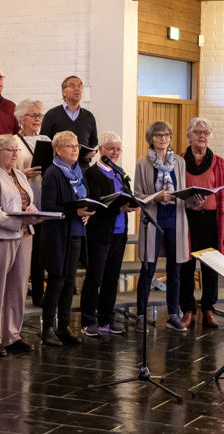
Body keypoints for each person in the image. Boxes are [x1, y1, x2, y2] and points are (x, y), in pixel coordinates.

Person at [0, 134, 42, 357]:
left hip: (23, 237)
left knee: (17, 289)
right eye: (10, 150)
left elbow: (27, 201)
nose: (15, 154)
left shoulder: (20, 176)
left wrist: (32, 210)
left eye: (17, 150)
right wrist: (21, 220)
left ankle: (12, 335)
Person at [133, 121, 191, 333]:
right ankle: (140, 315)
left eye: (166, 134)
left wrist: (193, 198)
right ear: (151, 138)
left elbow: (183, 190)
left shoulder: (180, 163)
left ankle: (173, 315)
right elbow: (137, 195)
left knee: (175, 270)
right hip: (154, 219)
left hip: (175, 218)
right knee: (148, 268)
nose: (162, 138)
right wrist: (157, 196)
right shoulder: (142, 163)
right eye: (158, 135)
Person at [40, 131, 95, 346]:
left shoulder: (79, 170)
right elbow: (48, 206)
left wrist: (88, 212)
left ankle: (63, 327)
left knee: (70, 282)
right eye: (69, 146)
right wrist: (76, 213)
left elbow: (84, 197)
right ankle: (47, 330)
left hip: (76, 231)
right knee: (56, 280)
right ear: (58, 150)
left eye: (76, 146)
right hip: (57, 233)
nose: (75, 149)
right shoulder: (53, 172)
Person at [79, 132, 137, 337]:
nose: (115, 153)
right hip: (100, 231)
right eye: (111, 148)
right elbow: (94, 202)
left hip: (119, 231)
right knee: (95, 276)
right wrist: (117, 209)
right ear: (101, 150)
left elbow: (127, 194)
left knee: (112, 277)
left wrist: (131, 204)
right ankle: (88, 319)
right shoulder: (92, 173)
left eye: (118, 149)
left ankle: (106, 318)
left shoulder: (119, 172)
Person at [178, 117, 224, 329]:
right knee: (186, 266)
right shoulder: (179, 161)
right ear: (189, 135)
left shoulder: (219, 163)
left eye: (206, 133)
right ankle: (188, 310)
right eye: (198, 132)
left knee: (211, 266)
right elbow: (174, 191)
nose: (202, 136)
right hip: (187, 219)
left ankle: (208, 309)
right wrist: (188, 203)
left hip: (212, 219)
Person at [14, 99, 50, 306]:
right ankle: (21, 293)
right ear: (21, 118)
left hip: (45, 198)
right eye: (33, 115)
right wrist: (23, 173)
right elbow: (5, 171)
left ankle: (39, 293)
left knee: (42, 250)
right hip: (25, 201)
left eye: (40, 115)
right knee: (28, 249)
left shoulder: (46, 139)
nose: (37, 119)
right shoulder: (13, 141)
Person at [40, 75, 98, 162]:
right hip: (59, 168)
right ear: (64, 92)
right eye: (72, 86)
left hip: (82, 168)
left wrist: (91, 152)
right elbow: (44, 143)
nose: (77, 89)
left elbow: (93, 143)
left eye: (80, 86)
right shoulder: (51, 115)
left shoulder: (89, 116)